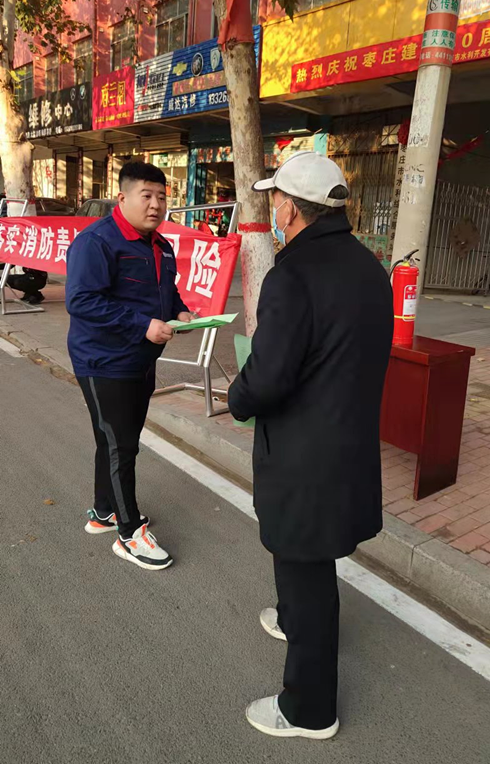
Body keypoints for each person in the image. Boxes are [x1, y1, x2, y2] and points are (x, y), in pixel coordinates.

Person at [228, 152, 393, 740]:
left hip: (304, 455)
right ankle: (294, 618)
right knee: (307, 561)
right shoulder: (370, 267)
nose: (274, 209)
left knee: (305, 566)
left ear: (292, 210)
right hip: (348, 443)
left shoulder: (292, 275)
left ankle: (309, 709)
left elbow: (269, 376)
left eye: (275, 198)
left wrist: (237, 396)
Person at [66, 161, 193, 571]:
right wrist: (143, 325)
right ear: (122, 198)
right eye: (147, 196)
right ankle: (129, 532)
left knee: (117, 440)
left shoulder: (161, 246)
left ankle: (105, 511)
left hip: (141, 359)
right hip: (103, 361)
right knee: (121, 445)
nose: (156, 205)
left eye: (162, 197)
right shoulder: (97, 242)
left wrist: (181, 311)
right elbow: (81, 301)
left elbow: (166, 291)